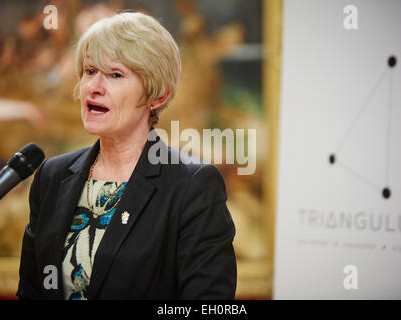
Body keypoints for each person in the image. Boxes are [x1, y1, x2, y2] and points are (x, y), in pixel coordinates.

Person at [16, 11, 236, 300]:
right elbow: (32, 291)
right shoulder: (51, 176)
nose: (94, 87)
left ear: (157, 96)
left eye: (115, 75)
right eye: (90, 71)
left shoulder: (192, 186)